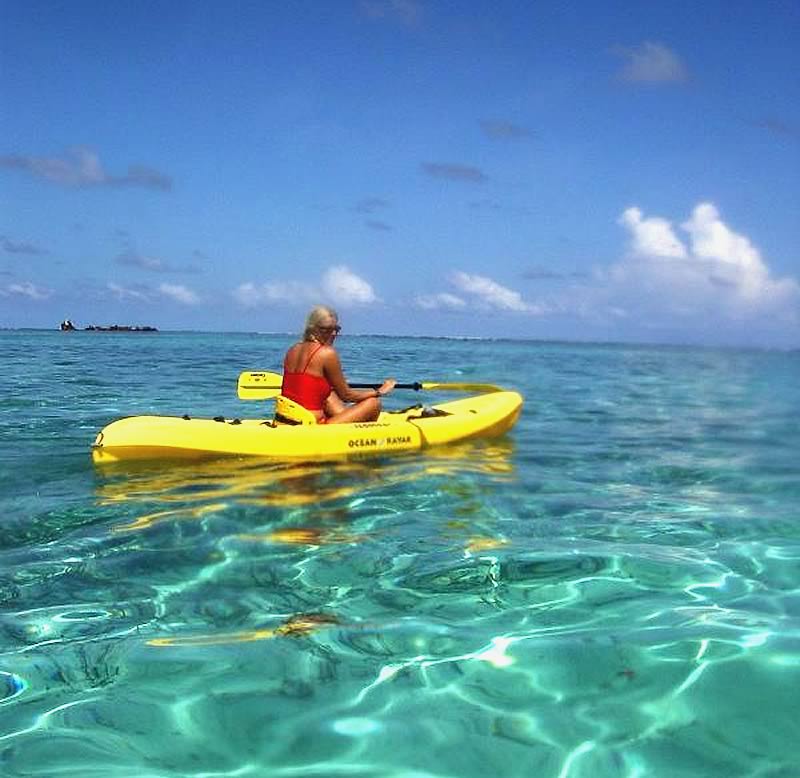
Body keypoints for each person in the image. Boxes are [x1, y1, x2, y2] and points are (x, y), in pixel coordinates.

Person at [281, 305, 396, 424]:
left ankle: (346, 419)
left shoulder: (292, 349)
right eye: (326, 329)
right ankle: (357, 438)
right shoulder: (327, 353)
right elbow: (346, 395)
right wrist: (379, 391)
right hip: (311, 425)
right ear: (312, 329)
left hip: (288, 419)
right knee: (373, 403)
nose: (333, 333)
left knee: (329, 393)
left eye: (336, 328)